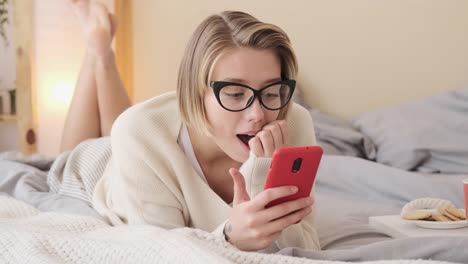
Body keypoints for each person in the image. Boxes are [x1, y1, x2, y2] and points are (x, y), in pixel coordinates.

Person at [57, 0, 320, 252]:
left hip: (139, 148)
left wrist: (264, 175)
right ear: (196, 93)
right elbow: (163, 252)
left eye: (271, 91)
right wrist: (228, 239)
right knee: (83, 148)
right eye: (235, 93)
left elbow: (304, 248)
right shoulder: (139, 132)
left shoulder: (293, 122)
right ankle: (98, 52)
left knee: (127, 124)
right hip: (95, 169)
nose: (258, 114)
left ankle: (101, 51)